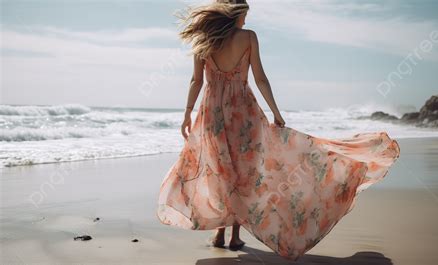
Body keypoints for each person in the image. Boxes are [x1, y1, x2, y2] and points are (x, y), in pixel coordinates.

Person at [157, 0, 400, 261]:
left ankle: (219, 233)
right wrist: (275, 111)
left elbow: (195, 80)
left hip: (212, 115)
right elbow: (260, 78)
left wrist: (187, 112)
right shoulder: (248, 37)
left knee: (221, 172)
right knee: (243, 174)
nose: (245, 22)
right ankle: (235, 236)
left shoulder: (204, 39)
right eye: (244, 16)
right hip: (243, 114)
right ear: (237, 15)